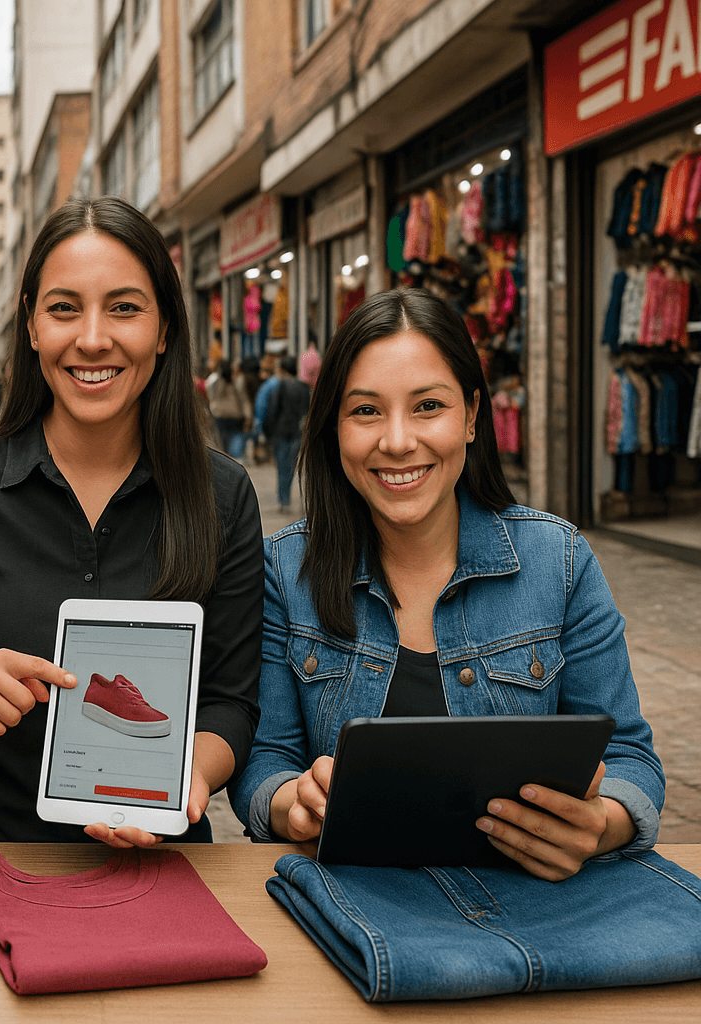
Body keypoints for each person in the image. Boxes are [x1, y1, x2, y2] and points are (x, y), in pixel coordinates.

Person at [0, 196, 263, 846]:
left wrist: (186, 775)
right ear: (31, 325)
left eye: (125, 308)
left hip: (158, 863)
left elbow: (231, 703)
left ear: (164, 330)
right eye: (64, 308)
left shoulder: (224, 494)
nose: (93, 337)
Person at [229, 289, 664, 881]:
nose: (399, 440)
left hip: (536, 909)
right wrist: (293, 806)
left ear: (472, 417)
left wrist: (599, 824)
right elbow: (266, 762)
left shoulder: (558, 560)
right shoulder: (286, 570)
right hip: (350, 911)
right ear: (333, 426)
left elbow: (631, 759)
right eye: (366, 411)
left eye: (428, 405)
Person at [263, 355, 310, 514]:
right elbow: (307, 411)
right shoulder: (304, 387)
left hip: (281, 431)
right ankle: (286, 497)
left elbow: (273, 409)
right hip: (298, 431)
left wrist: (268, 431)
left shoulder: (280, 386)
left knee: (282, 466)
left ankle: (284, 499)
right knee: (291, 466)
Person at [204, 358, 250, 456]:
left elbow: (210, 395)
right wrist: (248, 414)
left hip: (219, 413)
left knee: (223, 437)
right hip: (235, 413)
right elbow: (243, 399)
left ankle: (227, 456)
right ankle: (235, 457)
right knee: (236, 435)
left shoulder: (216, 382)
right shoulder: (236, 382)